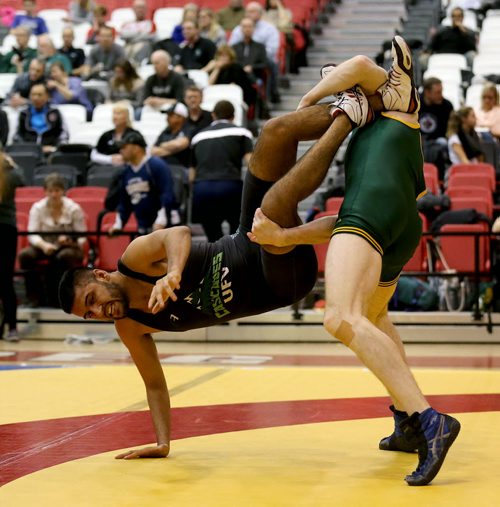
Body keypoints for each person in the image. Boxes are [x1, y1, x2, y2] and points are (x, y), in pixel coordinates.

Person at [58, 38, 459, 486]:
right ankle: (351, 112)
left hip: (243, 243)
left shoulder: (133, 259)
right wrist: (163, 440)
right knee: (274, 202)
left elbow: (177, 235)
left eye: (92, 300)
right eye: (89, 315)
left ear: (98, 274)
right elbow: (153, 383)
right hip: (277, 280)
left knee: (272, 132)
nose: (98, 311)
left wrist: (172, 272)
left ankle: (363, 104)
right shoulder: (129, 326)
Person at [249, 37, 460, 487]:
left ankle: (429, 419)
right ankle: (407, 421)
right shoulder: (375, 126)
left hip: (375, 217)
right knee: (374, 317)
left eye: (344, 85)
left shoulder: (398, 97)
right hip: (393, 224)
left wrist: (311, 100)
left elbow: (361, 64)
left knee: (341, 318)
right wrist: (285, 236)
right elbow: (343, 221)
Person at [20, 172, 87, 307]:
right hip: (44, 245)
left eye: (57, 190)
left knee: (63, 256)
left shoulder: (74, 208)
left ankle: (59, 299)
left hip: (69, 247)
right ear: (45, 191)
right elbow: (32, 234)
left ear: (63, 191)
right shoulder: (37, 208)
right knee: (25, 256)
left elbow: (83, 236)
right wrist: (43, 245)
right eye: (50, 191)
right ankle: (35, 298)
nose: (54, 194)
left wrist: (70, 241)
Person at [190, 100, 253, 241]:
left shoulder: (197, 137)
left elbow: (191, 175)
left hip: (203, 189)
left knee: (213, 240)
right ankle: (233, 262)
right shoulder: (242, 132)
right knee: (235, 237)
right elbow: (251, 163)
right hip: (230, 186)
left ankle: (217, 261)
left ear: (213, 115)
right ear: (233, 116)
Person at [108, 131, 177, 235]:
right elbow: (124, 202)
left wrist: (161, 220)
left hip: (166, 226)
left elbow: (167, 193)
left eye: (124, 147)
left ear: (136, 148)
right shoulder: (126, 172)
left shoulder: (156, 165)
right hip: (143, 227)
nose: (121, 151)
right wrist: (118, 224)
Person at [228, 2, 281, 103]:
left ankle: (272, 94)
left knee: (271, 64)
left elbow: (271, 51)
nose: (249, 14)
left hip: (260, 59)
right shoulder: (238, 29)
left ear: (260, 13)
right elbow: (231, 49)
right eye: (247, 12)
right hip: (241, 61)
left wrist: (252, 63)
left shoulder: (269, 29)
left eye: (252, 11)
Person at [0, 151, 25, 342]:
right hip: (7, 229)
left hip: (6, 228)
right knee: (6, 280)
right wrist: (11, 163)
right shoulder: (11, 171)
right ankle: (12, 328)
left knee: (6, 280)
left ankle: (12, 328)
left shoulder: (8, 173)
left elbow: (21, 180)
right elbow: (21, 178)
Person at [14, 82, 69, 153]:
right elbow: (17, 135)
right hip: (28, 151)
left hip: (51, 150)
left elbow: (63, 134)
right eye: (33, 94)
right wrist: (26, 148)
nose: (36, 98)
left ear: (47, 96)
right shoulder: (24, 113)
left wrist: (55, 148)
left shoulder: (55, 112)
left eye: (40, 95)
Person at [418, 77, 455, 178]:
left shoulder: (447, 106)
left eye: (441, 91)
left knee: (443, 143)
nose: (441, 95)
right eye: (437, 92)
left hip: (439, 141)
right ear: (427, 92)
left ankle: (442, 178)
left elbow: (452, 129)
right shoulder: (414, 104)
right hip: (417, 140)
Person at [206, 44, 257, 109]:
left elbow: (235, 86)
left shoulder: (236, 67)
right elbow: (209, 84)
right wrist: (217, 69)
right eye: (220, 56)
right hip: (218, 96)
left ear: (230, 57)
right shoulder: (216, 69)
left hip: (236, 97)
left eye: (225, 56)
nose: (222, 58)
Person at [151, 102, 191, 168]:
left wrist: (163, 145)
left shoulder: (188, 129)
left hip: (181, 167)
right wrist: (174, 150)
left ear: (181, 117)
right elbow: (153, 151)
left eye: (171, 115)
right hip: (163, 166)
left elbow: (180, 144)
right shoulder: (165, 131)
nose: (167, 118)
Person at [119, 0, 156, 65]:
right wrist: (140, 33)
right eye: (138, 7)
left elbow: (151, 36)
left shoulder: (150, 24)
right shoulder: (127, 24)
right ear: (133, 9)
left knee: (145, 45)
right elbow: (122, 35)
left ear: (146, 9)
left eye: (142, 7)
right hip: (128, 46)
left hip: (143, 48)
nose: (140, 10)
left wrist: (132, 36)